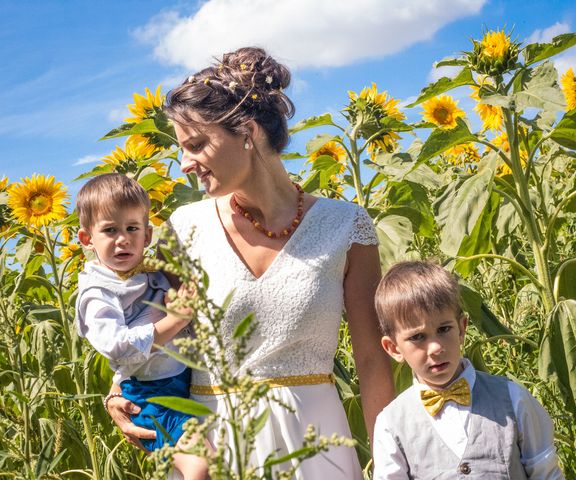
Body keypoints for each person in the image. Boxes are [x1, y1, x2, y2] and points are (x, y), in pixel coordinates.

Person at [105, 47, 395, 478]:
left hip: (317, 445)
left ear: (248, 130)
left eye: (197, 144)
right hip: (216, 445)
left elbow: (373, 362)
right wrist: (118, 389)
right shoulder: (185, 229)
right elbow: (148, 325)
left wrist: (391, 464)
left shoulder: (346, 226)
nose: (185, 164)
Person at [372, 260, 564, 479]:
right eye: (418, 337)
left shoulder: (513, 398)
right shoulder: (391, 423)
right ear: (394, 348)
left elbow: (546, 474)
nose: (435, 347)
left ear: (462, 329)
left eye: (444, 329)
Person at [75, 173, 210, 480]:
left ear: (147, 235)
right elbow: (117, 346)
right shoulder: (98, 291)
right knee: (199, 465)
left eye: (132, 228)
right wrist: (176, 320)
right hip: (151, 394)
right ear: (86, 239)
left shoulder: (148, 272)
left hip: (183, 382)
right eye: (110, 230)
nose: (123, 239)